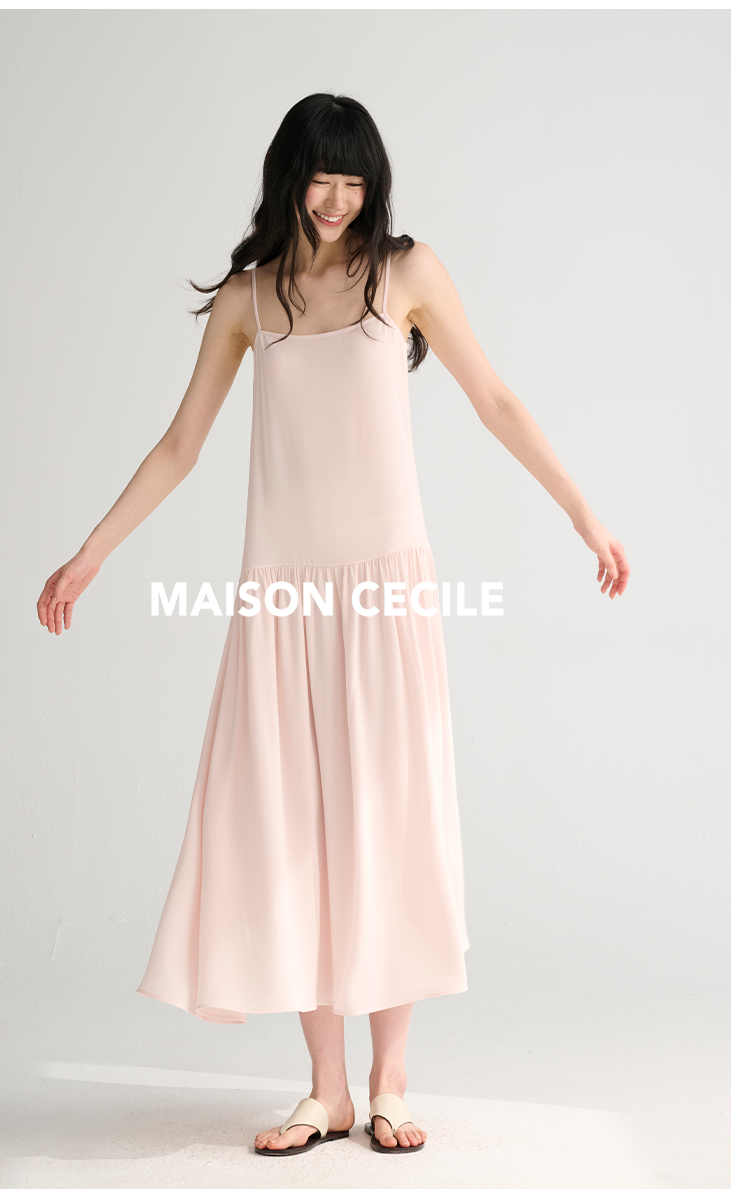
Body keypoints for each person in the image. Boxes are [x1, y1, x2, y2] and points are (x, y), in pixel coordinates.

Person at [37, 92, 630, 1159]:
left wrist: (583, 514)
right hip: (282, 598)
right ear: (289, 177)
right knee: (295, 833)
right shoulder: (248, 300)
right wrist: (92, 553)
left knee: (386, 826)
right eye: (321, 178)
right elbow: (180, 445)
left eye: (354, 182)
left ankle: (390, 1079)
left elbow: (494, 399)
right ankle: (326, 1091)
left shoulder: (406, 275)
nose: (337, 200)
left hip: (385, 594)